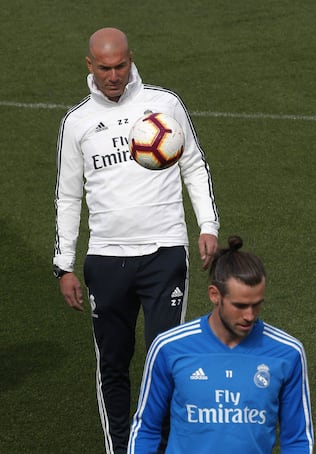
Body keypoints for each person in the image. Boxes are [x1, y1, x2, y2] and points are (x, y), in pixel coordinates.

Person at [53, 27, 219, 454]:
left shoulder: (164, 105)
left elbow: (195, 167)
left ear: (131, 59)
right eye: (104, 68)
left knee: (166, 362)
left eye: (120, 66)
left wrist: (208, 225)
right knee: (113, 364)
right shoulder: (77, 123)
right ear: (90, 66)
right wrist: (64, 263)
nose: (113, 76)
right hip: (106, 260)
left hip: (165, 253)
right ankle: (121, 447)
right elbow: (68, 194)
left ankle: (161, 447)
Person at [128, 236, 314, 453]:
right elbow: (145, 429)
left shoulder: (287, 353)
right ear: (215, 295)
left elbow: (297, 440)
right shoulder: (169, 348)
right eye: (240, 305)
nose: (250, 316)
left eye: (256, 305)